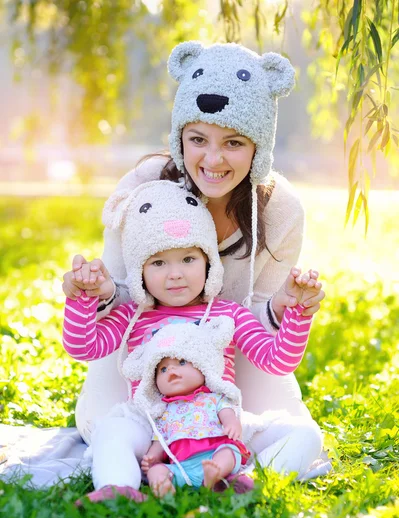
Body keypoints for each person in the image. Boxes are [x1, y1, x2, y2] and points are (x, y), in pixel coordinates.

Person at [62, 41, 325, 452]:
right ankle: (166, 452)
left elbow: (258, 317)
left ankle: (214, 458)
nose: (213, 159)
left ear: (259, 149)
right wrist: (94, 293)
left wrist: (284, 307)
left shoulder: (282, 209)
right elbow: (124, 293)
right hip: (145, 345)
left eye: (234, 143)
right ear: (180, 137)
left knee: (282, 431)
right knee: (104, 427)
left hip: (230, 346)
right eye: (198, 139)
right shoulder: (144, 186)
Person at [63, 180, 323, 502]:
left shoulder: (227, 314)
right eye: (158, 262)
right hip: (153, 425)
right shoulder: (133, 316)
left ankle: (249, 482)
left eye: (188, 259)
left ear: (208, 263)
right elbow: (83, 347)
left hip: (220, 422)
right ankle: (120, 488)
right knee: (110, 431)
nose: (175, 274)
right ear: (139, 270)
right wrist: (82, 299)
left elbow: (277, 361)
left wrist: (297, 312)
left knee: (307, 434)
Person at [131, 317, 252, 497]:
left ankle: (215, 473)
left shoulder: (213, 398)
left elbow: (227, 413)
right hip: (182, 467)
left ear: (201, 366)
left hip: (214, 453)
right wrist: (152, 458)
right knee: (157, 471)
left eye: (181, 362)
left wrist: (232, 423)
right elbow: (160, 440)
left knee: (229, 452)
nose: (171, 371)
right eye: (163, 369)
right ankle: (164, 489)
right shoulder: (163, 412)